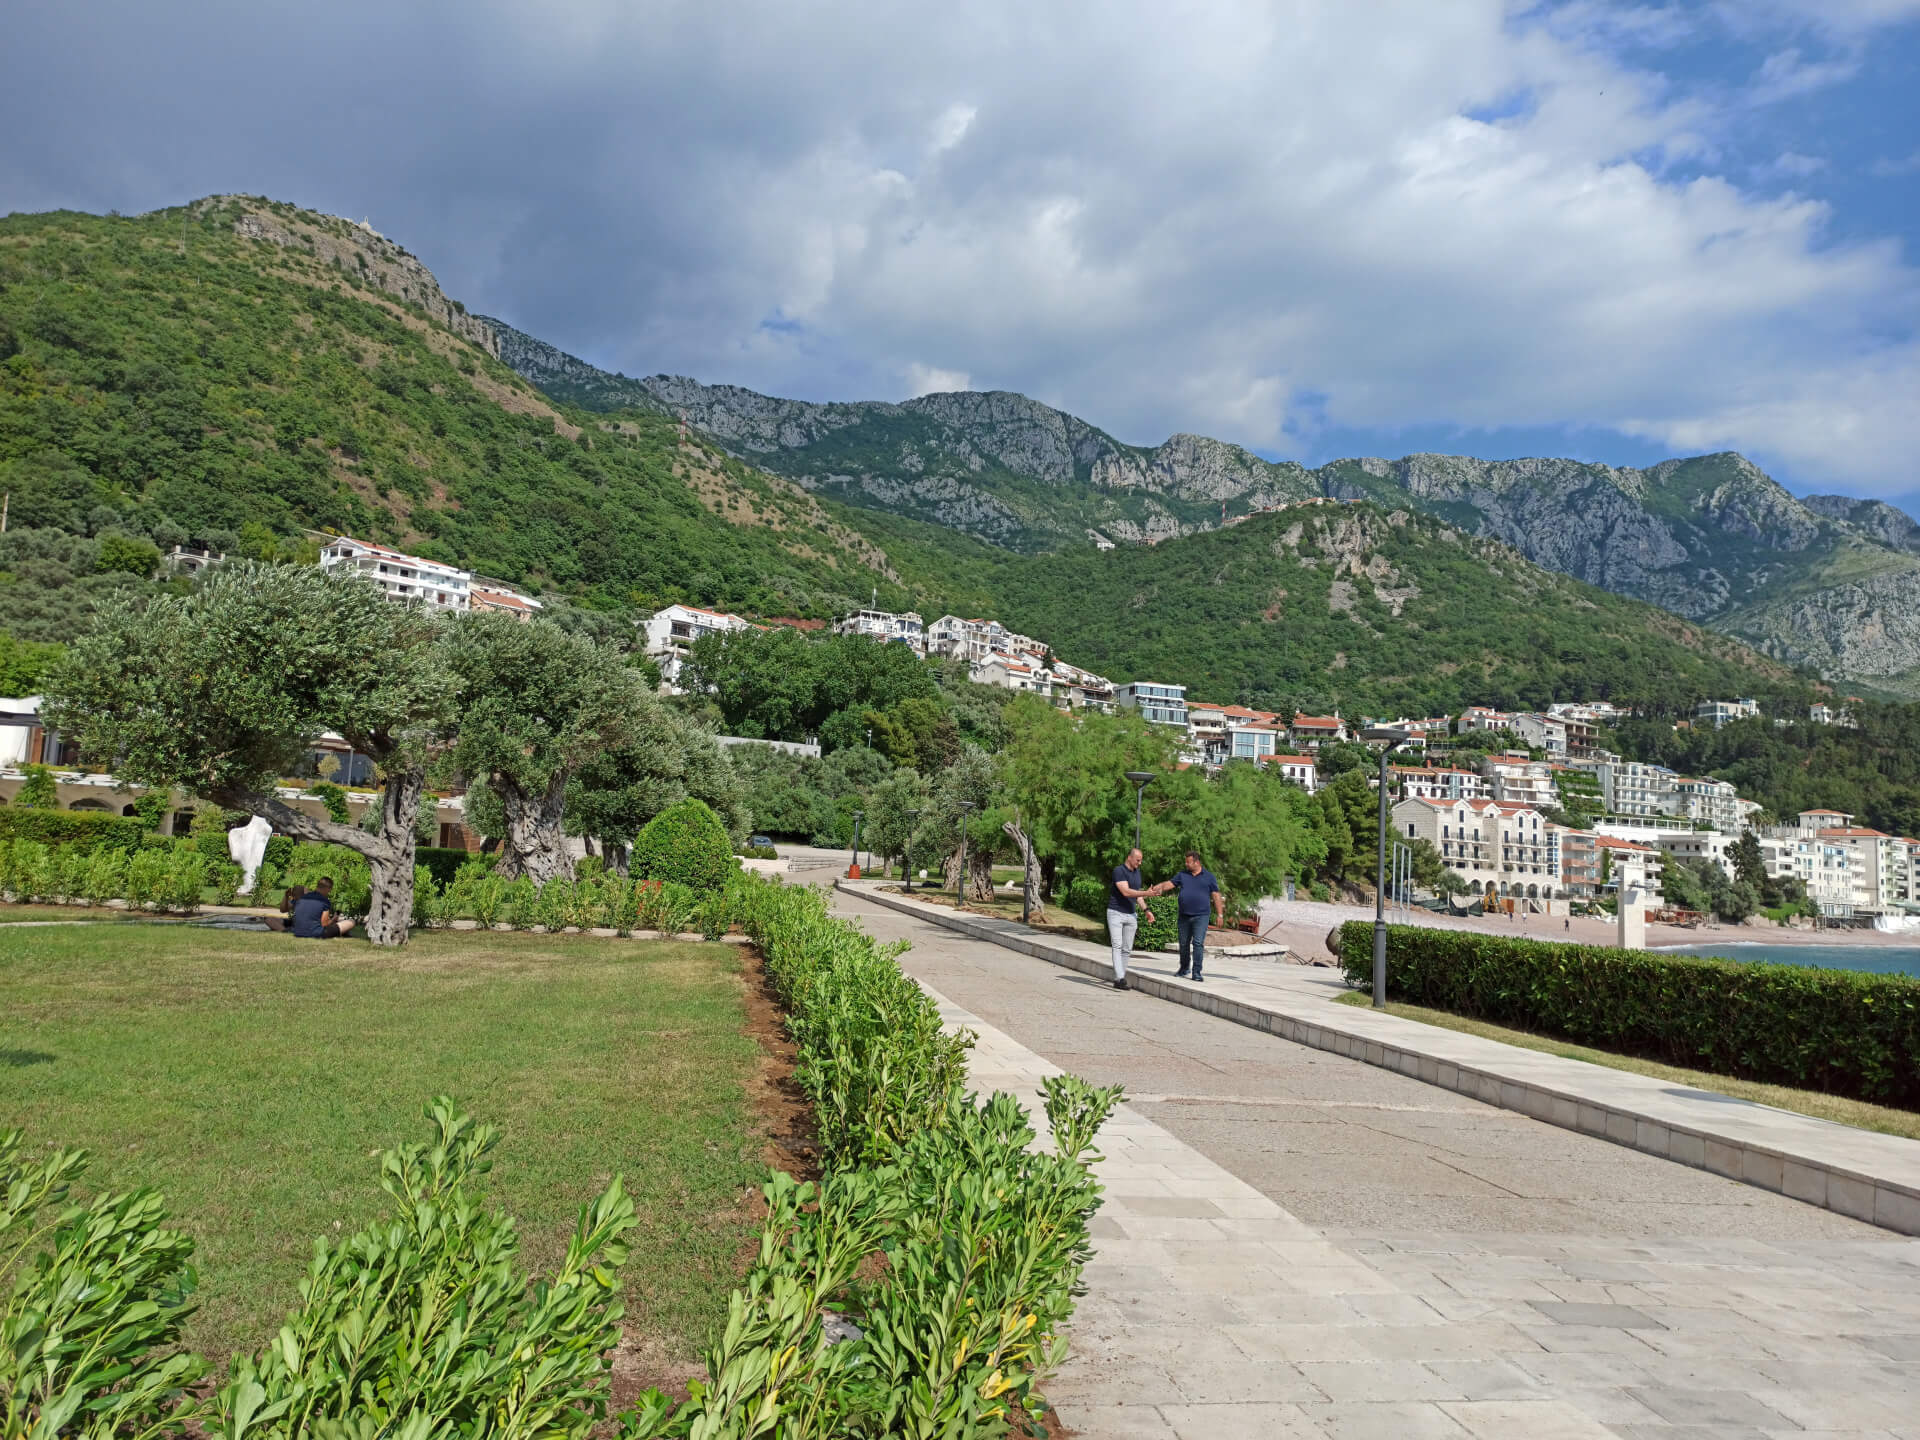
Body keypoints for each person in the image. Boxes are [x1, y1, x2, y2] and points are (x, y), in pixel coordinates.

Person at [1105, 846, 1158, 990]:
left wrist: (1146, 910)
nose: (1139, 863)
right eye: (1137, 860)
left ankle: (1118, 979)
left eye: (1141, 861)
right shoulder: (1119, 871)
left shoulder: (1137, 873)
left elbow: (1137, 895)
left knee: (1127, 949)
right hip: (1116, 913)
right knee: (1117, 945)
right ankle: (1121, 977)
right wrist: (1147, 893)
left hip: (1131, 914)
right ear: (1129, 857)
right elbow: (1126, 892)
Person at [1167, 850, 1224, 981]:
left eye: (1188, 862)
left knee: (1198, 943)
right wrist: (1158, 888)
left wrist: (1220, 915)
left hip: (1201, 916)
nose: (1186, 864)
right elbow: (1169, 884)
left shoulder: (1209, 877)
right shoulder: (1182, 875)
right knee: (1183, 943)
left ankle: (1197, 972)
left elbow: (1216, 895)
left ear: (1196, 862)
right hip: (1184, 915)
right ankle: (1184, 968)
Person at [290, 876, 355, 939]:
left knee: (338, 922)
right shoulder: (324, 901)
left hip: (297, 932)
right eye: (330, 890)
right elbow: (324, 924)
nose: (329, 892)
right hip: (315, 933)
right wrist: (333, 919)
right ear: (327, 888)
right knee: (351, 921)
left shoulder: (303, 897)